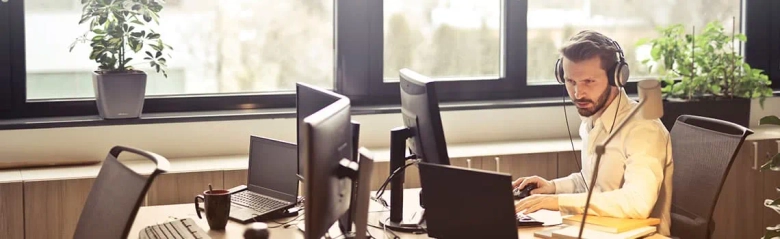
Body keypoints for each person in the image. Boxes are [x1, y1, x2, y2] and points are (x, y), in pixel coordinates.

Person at [513, 30, 674, 236]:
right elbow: (591, 183)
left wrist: (558, 202)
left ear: (617, 77)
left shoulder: (643, 129)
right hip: (597, 230)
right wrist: (552, 188)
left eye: (589, 82)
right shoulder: (592, 120)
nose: (578, 94)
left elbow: (638, 202)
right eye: (571, 82)